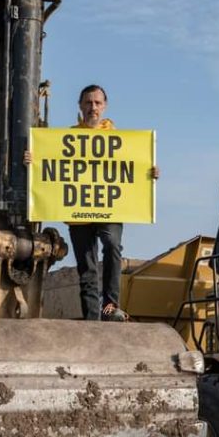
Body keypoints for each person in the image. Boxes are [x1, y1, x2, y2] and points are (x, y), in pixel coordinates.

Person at [66, 85, 158, 321]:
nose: (92, 107)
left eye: (97, 103)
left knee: (112, 245)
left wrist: (150, 172)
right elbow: (51, 166)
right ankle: (91, 318)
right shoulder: (68, 137)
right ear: (80, 106)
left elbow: (134, 168)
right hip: (79, 210)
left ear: (104, 106)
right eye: (88, 102)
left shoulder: (119, 140)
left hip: (109, 207)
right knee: (86, 264)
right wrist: (33, 160)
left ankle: (109, 308)